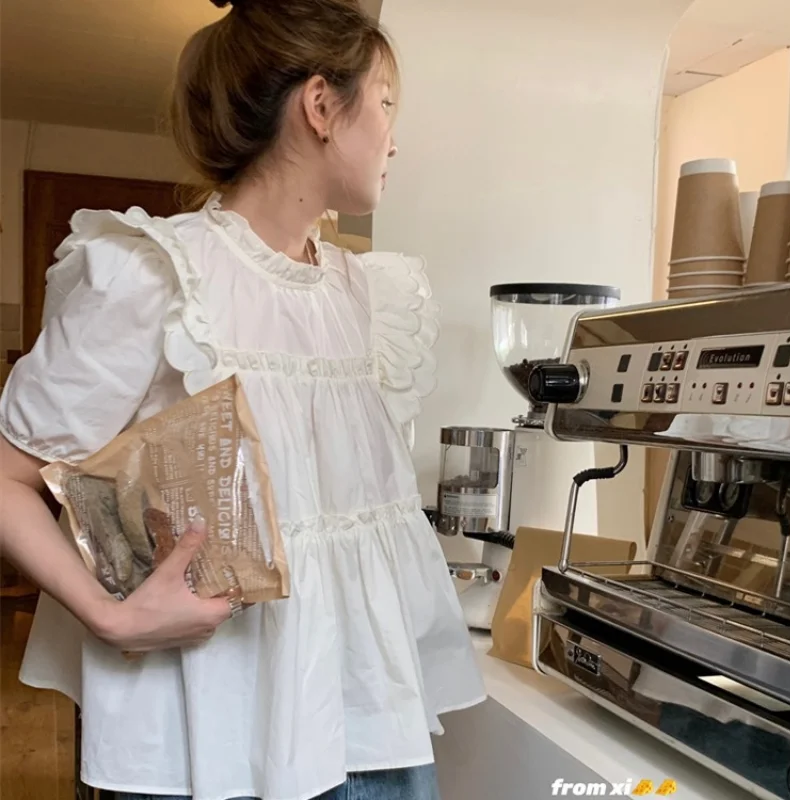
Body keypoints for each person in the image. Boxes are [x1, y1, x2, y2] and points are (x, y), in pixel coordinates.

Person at [0, 1, 486, 799]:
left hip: (366, 721)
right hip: (203, 737)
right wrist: (111, 615)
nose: (394, 138)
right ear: (321, 105)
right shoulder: (156, 274)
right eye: (385, 104)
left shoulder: (363, 292)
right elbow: (7, 475)